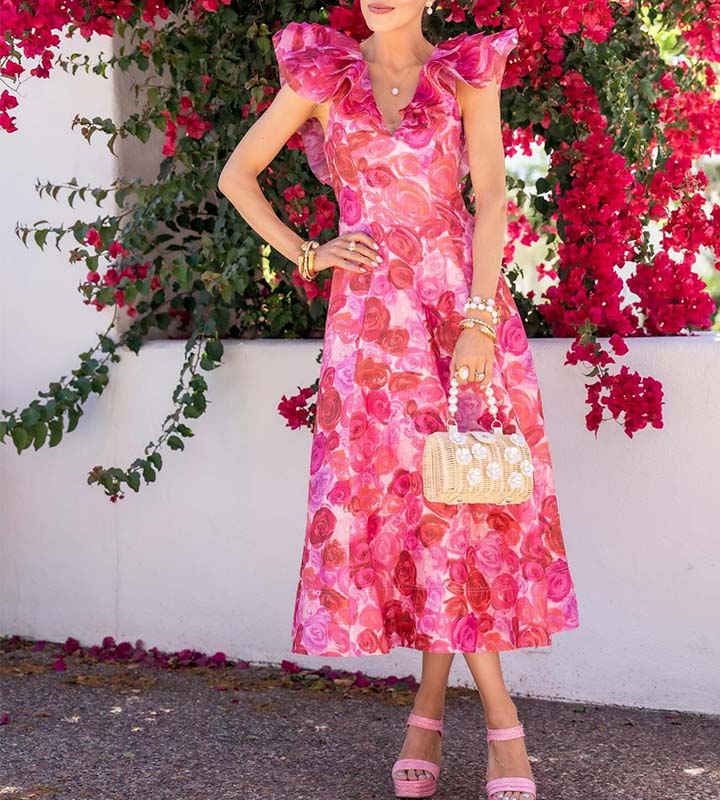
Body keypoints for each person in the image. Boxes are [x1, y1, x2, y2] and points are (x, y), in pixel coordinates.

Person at [218, 3, 580, 798]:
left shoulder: (465, 73)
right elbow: (235, 175)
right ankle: (487, 721)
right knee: (419, 511)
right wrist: (308, 252)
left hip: (460, 308)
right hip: (371, 325)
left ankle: (448, 716)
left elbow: (490, 199)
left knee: (461, 506)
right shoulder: (321, 75)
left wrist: (480, 318)